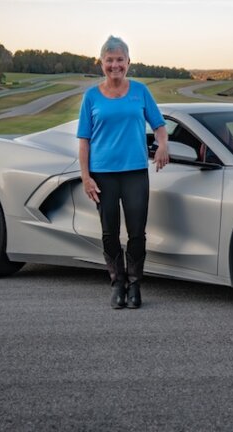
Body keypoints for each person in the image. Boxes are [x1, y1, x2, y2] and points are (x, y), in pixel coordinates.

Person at [77, 36, 169, 309]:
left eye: (120, 60)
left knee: (137, 232)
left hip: (135, 173)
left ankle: (135, 284)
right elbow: (84, 141)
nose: (115, 65)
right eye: (109, 60)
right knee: (109, 232)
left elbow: (160, 126)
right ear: (101, 63)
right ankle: (117, 283)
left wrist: (163, 145)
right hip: (102, 174)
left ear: (128, 62)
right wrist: (86, 177)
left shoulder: (140, 91)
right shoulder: (91, 96)